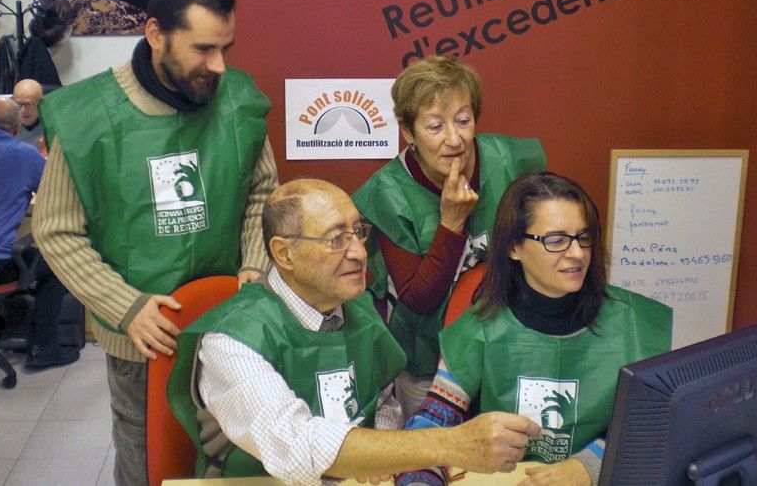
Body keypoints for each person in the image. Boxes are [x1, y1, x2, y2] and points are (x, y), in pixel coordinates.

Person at [32, 0, 278, 486]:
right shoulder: (87, 118)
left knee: (234, 459)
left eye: (226, 47)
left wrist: (255, 261)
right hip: (144, 340)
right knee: (152, 465)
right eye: (203, 48)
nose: (219, 65)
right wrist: (125, 307)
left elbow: (261, 193)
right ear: (155, 34)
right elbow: (56, 230)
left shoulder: (238, 101)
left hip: (229, 326)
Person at [168, 179, 542, 484]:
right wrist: (451, 443)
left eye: (358, 232)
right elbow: (297, 446)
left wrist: (381, 454)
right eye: (336, 239)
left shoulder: (358, 308)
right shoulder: (231, 339)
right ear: (283, 254)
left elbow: (383, 403)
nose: (360, 253)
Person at [396, 172, 673, 486]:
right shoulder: (479, 326)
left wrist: (590, 465)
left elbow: (659, 428)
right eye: (556, 240)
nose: (578, 253)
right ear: (514, 247)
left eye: (584, 237)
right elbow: (431, 426)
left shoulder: (636, 324)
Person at [353, 56, 547, 417]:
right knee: (431, 454)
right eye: (435, 126)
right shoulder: (388, 192)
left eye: (463, 121)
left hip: (504, 347)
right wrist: (451, 224)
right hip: (426, 358)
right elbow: (417, 300)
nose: (454, 139)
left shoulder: (509, 160)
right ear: (409, 132)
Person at [0, 97, 78, 368]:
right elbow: (58, 192)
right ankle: (43, 348)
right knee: (57, 266)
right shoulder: (24, 155)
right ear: (17, 127)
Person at [12, 78, 46, 154]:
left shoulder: (52, 129)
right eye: (19, 104)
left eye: (29, 104)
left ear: (41, 103)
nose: (23, 110)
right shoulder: (5, 126)